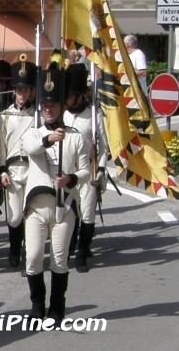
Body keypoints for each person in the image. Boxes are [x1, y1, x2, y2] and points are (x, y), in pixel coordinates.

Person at [22, 66, 90, 321]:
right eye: (44, 105)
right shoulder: (34, 132)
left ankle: (57, 309)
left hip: (64, 207)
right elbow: (31, 148)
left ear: (62, 106)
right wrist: (50, 139)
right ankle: (37, 305)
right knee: (33, 258)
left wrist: (71, 178)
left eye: (53, 104)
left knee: (59, 261)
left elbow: (85, 170)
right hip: (37, 208)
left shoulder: (77, 137)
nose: (48, 109)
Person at [63, 64, 109, 273]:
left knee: (87, 213)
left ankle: (82, 253)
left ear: (81, 96)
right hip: (67, 171)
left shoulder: (94, 115)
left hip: (88, 170)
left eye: (72, 95)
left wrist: (100, 169)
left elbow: (103, 147)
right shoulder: (62, 116)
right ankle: (70, 247)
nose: (68, 99)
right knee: (69, 212)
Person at [0, 57, 37, 268]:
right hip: (12, 170)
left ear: (31, 91)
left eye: (26, 90)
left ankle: (26, 253)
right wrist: (2, 169)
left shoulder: (37, 115)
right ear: (14, 91)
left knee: (29, 215)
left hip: (33, 170)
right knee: (13, 217)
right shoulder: (4, 116)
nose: (22, 94)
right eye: (19, 90)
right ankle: (14, 249)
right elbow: (0, 147)